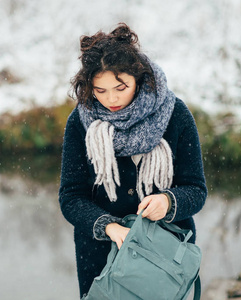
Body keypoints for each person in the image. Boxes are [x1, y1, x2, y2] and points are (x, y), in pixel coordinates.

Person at [58, 22, 207, 298]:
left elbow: (196, 190)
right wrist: (108, 226)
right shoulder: (81, 122)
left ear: (138, 77)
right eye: (99, 91)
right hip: (102, 261)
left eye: (120, 87)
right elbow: (71, 197)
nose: (111, 99)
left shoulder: (175, 115)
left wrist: (168, 201)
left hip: (165, 259)